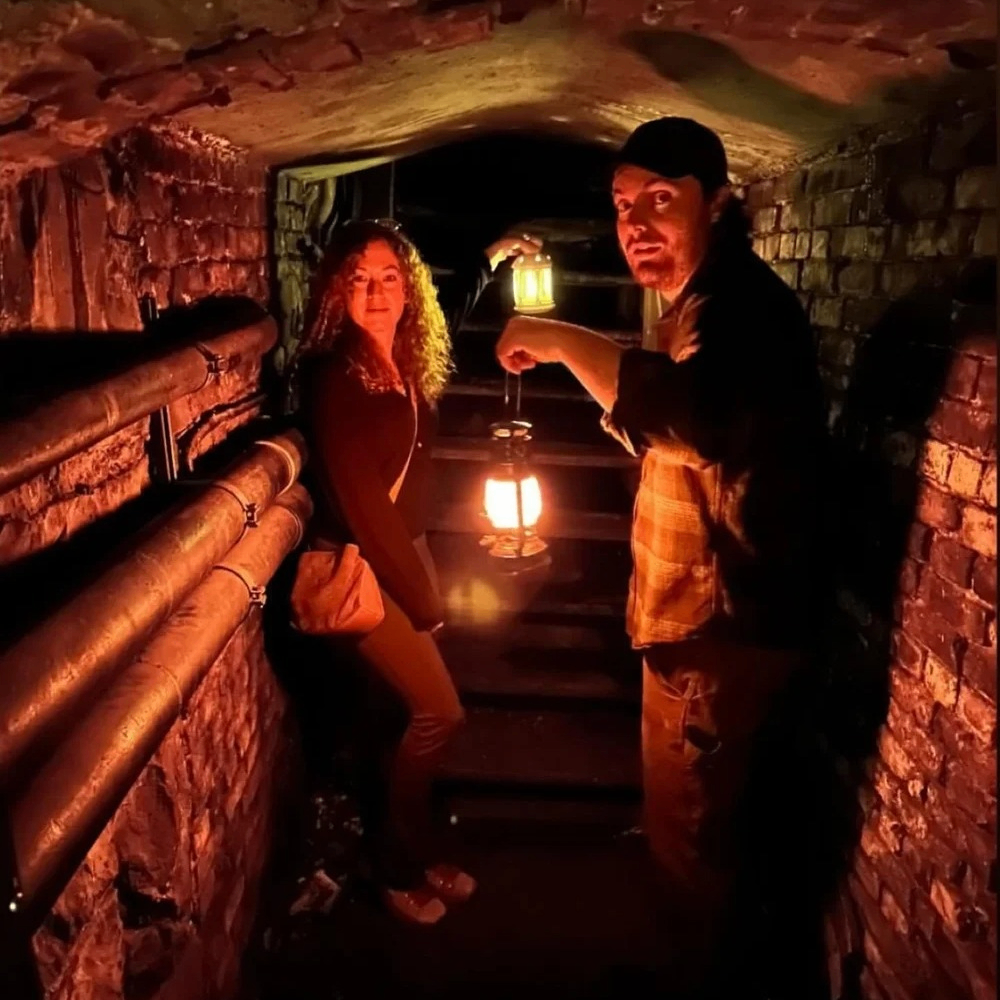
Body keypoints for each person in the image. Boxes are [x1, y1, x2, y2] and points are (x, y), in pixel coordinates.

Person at [494, 119, 826, 987]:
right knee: (700, 842)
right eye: (621, 205)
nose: (635, 221)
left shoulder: (734, 306)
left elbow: (693, 420)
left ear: (717, 202)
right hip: (705, 618)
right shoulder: (700, 301)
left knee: (695, 856)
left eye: (660, 200)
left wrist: (565, 340)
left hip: (715, 627)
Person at [296, 219, 541, 926]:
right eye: (359, 280)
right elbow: (363, 503)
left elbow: (457, 298)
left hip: (405, 555)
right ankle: (397, 865)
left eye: (390, 278)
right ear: (336, 292)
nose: (376, 293)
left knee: (390, 718)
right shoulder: (336, 374)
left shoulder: (404, 360)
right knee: (439, 712)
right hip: (367, 568)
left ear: (410, 291)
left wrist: (492, 252)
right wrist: (424, 601)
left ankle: (413, 847)